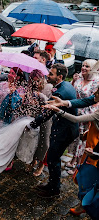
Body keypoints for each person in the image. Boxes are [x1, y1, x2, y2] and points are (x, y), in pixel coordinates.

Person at [44, 87, 99, 216]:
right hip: (92, 142)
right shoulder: (96, 99)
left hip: (96, 148)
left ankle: (88, 205)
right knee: (85, 174)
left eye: (97, 93)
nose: (94, 94)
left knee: (92, 177)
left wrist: (59, 111)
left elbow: (77, 119)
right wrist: (64, 103)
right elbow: (86, 100)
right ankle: (84, 203)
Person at [28, 63, 79, 198]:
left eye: (51, 74)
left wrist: (32, 124)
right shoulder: (65, 85)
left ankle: (54, 190)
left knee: (53, 158)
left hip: (65, 131)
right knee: (52, 157)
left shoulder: (61, 92)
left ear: (60, 76)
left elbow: (47, 114)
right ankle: (52, 184)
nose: (48, 75)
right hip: (65, 128)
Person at [67, 59, 99, 174]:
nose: (84, 68)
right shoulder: (79, 77)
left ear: (93, 70)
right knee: (75, 138)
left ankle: (78, 164)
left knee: (82, 140)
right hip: (76, 110)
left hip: (88, 114)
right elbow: (73, 93)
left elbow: (95, 101)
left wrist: (88, 115)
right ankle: (73, 158)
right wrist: (73, 81)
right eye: (83, 65)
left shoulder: (96, 82)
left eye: (87, 66)